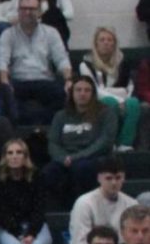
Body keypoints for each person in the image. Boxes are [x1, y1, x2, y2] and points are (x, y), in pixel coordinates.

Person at [0, 0, 73, 127]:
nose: (27, 12)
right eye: (24, 8)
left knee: (63, 94)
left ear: (39, 12)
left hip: (45, 80)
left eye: (32, 9)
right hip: (18, 81)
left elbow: (61, 59)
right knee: (6, 95)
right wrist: (4, 82)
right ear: (18, 11)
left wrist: (69, 80)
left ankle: (45, 131)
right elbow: (2, 60)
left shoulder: (51, 33)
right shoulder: (8, 34)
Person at [43, 76, 118, 206]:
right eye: (78, 90)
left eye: (87, 90)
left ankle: (82, 206)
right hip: (66, 158)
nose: (82, 93)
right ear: (72, 93)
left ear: (93, 94)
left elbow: (105, 142)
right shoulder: (61, 115)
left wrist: (76, 157)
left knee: (81, 169)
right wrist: (62, 158)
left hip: (94, 157)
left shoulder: (106, 113)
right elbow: (53, 142)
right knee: (49, 172)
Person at [0, 138, 51, 244]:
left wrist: (31, 234)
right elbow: (0, 214)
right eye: (10, 153)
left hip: (35, 226)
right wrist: (19, 234)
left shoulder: (37, 178)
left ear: (26, 156)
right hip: (7, 228)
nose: (14, 156)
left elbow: (40, 209)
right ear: (5, 157)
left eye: (19, 152)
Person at [79, 26, 140, 152]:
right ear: (96, 43)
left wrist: (123, 98)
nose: (106, 43)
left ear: (114, 43)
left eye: (110, 40)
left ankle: (125, 144)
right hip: (97, 100)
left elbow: (129, 87)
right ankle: (109, 142)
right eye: (102, 40)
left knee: (134, 103)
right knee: (109, 102)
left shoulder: (123, 63)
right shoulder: (85, 64)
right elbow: (95, 90)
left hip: (123, 100)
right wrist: (119, 97)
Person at [69, 157, 136, 244]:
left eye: (118, 178)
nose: (114, 182)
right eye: (109, 178)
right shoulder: (84, 203)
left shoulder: (132, 204)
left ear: (124, 178)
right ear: (99, 178)